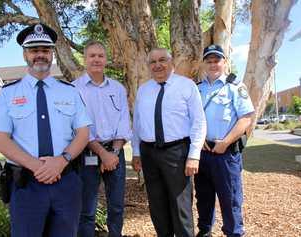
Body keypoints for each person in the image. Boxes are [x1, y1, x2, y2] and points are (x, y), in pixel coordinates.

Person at [0, 23, 91, 237]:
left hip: (65, 182)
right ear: (25, 55)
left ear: (52, 54)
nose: (40, 55)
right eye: (34, 50)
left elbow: (83, 133)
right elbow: (0, 139)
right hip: (26, 185)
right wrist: (38, 166)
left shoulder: (70, 92)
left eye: (45, 50)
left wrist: (61, 161)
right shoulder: (8, 94)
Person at [132, 48, 207, 237]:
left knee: (181, 207)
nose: (158, 65)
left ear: (171, 62)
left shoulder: (186, 86)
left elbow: (199, 121)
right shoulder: (143, 90)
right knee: (157, 206)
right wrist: (135, 151)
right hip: (149, 153)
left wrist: (194, 155)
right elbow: (138, 124)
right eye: (153, 62)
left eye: (162, 60)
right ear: (149, 66)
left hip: (177, 153)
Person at [73, 40, 132, 237]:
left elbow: (124, 122)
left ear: (106, 59)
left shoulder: (118, 88)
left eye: (100, 56)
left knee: (116, 206)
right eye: (92, 56)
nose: (96, 59)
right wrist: (102, 153)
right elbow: (79, 127)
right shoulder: (74, 89)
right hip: (86, 152)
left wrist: (113, 153)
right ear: (85, 60)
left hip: (116, 154)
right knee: (86, 209)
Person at [195, 44, 254, 237]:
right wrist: (199, 138)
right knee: (203, 198)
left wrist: (226, 142)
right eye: (209, 61)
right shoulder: (196, 89)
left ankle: (234, 233)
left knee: (230, 199)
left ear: (224, 62)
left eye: (217, 60)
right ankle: (205, 232)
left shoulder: (235, 87)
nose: (213, 64)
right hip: (202, 153)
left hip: (226, 155)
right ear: (204, 63)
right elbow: (191, 118)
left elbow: (246, 118)